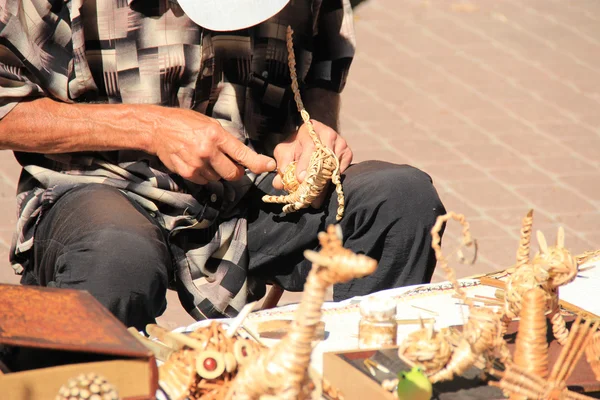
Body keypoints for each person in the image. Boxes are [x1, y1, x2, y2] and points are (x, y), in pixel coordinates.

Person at [0, 0, 445, 330]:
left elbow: (320, 76)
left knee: (401, 200)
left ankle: (365, 377)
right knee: (117, 258)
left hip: (248, 186)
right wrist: (149, 128)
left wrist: (311, 130)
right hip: (102, 184)